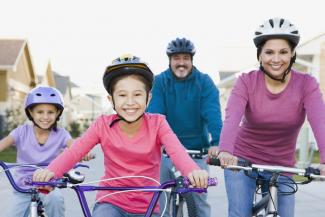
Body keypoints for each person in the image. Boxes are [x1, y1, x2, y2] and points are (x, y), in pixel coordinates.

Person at [32, 54, 210, 217]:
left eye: (137, 94)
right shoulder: (102, 124)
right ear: (111, 100)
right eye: (122, 95)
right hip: (111, 201)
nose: (130, 102)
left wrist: (193, 172)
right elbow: (75, 152)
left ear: (148, 98)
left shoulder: (158, 123)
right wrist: (50, 172)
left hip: (149, 204)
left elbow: (177, 152)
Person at [216, 17, 325, 217]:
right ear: (259, 56)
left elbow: (320, 121)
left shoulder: (307, 85)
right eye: (269, 52)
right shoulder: (246, 82)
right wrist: (225, 150)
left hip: (282, 165)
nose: (276, 59)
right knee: (240, 213)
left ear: (292, 54)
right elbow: (232, 118)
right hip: (242, 161)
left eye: (283, 52)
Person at [147, 37, 222, 217]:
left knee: (199, 202)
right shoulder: (159, 82)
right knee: (160, 203)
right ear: (170, 60)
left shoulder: (204, 82)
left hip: (196, 152)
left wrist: (217, 141)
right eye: (177, 58)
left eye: (185, 58)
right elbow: (156, 116)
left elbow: (212, 114)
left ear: (191, 60)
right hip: (165, 152)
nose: (181, 63)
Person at [0, 86, 72, 217]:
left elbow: (75, 146)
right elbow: (3, 143)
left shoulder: (61, 134)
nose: (45, 117)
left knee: (55, 200)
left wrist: (84, 152)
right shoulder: (21, 132)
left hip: (48, 184)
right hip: (23, 186)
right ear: (31, 113)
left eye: (50, 112)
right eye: (40, 112)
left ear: (57, 114)